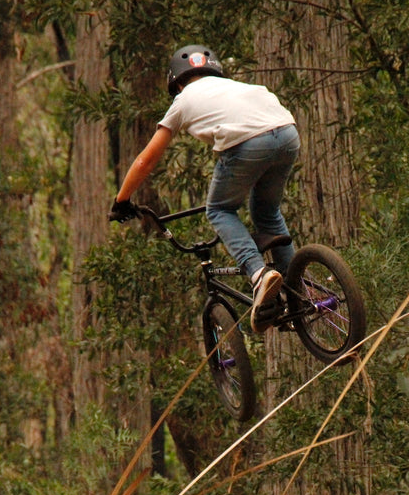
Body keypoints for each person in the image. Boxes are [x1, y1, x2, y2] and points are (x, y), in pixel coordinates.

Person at [111, 44, 300, 333]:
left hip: (249, 144)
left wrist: (122, 200)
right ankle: (297, 292)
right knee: (267, 211)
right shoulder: (239, 87)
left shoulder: (183, 101)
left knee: (220, 210)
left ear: (176, 81)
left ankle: (259, 275)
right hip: (288, 134)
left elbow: (146, 160)